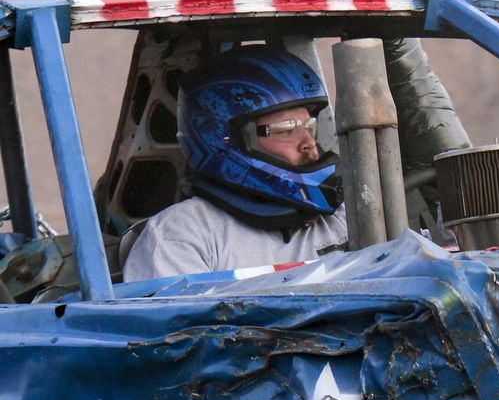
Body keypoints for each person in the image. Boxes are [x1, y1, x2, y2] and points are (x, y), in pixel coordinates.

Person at [123, 46, 349, 281]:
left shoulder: (347, 214)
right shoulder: (180, 237)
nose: (309, 143)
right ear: (228, 140)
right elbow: (177, 317)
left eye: (310, 127)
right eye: (287, 130)